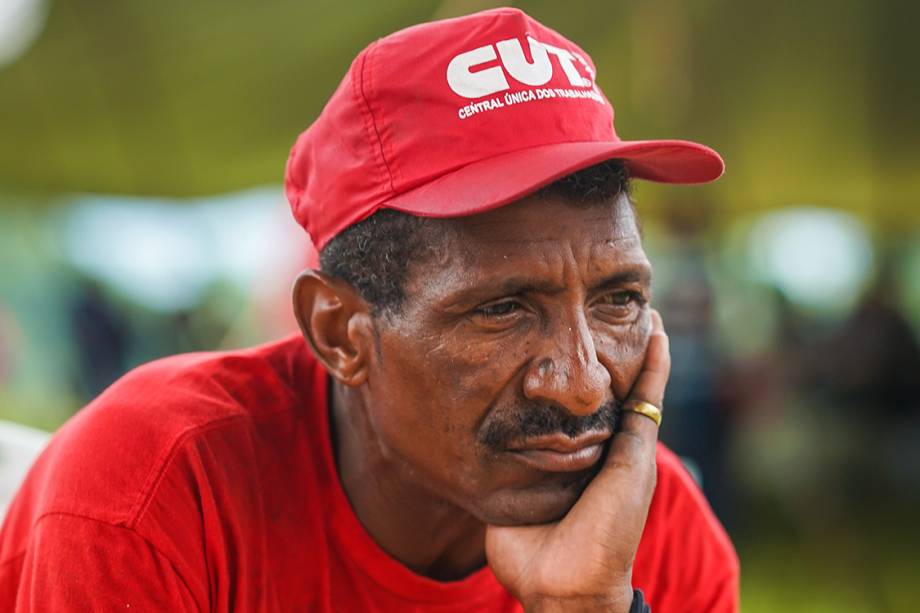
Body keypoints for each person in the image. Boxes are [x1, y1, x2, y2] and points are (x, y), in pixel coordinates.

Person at [0, 8, 738, 612]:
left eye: (619, 300)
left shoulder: (656, 528)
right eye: (504, 309)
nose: (581, 385)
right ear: (337, 331)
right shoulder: (155, 494)